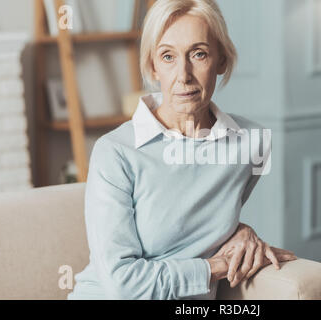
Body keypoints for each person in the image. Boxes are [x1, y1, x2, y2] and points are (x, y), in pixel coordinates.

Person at [68, 0, 296, 300]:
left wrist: (242, 232)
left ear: (222, 60)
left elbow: (204, 219)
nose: (184, 75)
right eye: (167, 56)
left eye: (198, 54)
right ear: (152, 66)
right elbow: (121, 284)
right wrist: (215, 266)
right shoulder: (114, 153)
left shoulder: (251, 142)